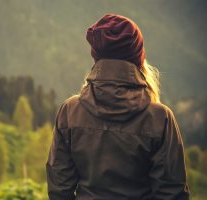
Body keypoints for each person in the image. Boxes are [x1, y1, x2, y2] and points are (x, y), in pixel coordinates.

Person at [46, 14, 190, 200]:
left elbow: (59, 190)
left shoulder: (70, 111)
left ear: (96, 56)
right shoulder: (160, 118)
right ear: (138, 57)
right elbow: (172, 194)